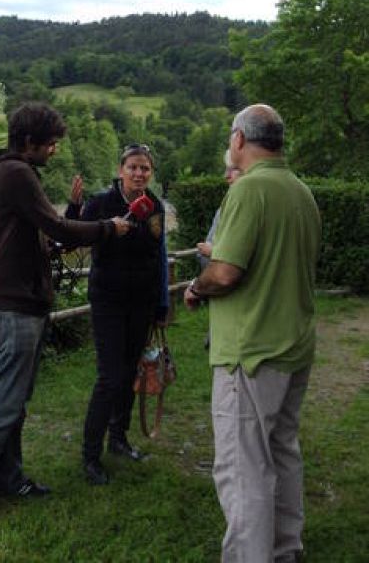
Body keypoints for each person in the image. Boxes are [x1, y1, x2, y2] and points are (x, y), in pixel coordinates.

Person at [0, 102, 131, 524]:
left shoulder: (4, 171)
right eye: (50, 143)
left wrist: (49, 244)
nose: (54, 150)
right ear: (28, 141)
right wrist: (111, 228)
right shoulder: (15, 173)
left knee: (14, 400)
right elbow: (59, 228)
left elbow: (34, 234)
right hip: (15, 306)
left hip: (17, 302)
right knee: (4, 401)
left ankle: (8, 478)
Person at [184, 104, 321, 563]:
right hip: (294, 347)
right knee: (282, 452)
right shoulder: (301, 192)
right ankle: (286, 549)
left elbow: (224, 272)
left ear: (240, 140)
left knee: (243, 470)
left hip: (251, 353)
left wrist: (196, 287)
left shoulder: (248, 191)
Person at [67, 143, 169, 485]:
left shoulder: (154, 206)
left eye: (145, 168)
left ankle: (119, 439)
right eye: (133, 167)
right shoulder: (101, 202)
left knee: (128, 374)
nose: (139, 174)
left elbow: (157, 256)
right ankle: (90, 455)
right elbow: (73, 238)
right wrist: (77, 207)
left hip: (141, 302)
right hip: (108, 301)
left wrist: (160, 305)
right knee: (109, 377)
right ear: (121, 169)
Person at [196, 149, 242, 270]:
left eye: (234, 169)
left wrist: (212, 252)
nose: (226, 176)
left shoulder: (253, 209)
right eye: (227, 169)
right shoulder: (224, 207)